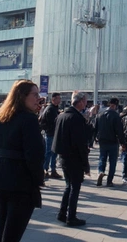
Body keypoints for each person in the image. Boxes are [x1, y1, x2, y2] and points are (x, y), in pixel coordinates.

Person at [0, 79, 45, 241]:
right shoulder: (28, 119)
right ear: (22, 96)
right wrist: (38, 178)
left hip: (0, 178)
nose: (38, 98)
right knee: (12, 234)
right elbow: (34, 154)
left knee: (2, 230)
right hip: (21, 181)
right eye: (35, 94)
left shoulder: (0, 118)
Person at [52, 91, 91, 227]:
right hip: (74, 157)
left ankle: (62, 213)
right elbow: (80, 143)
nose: (86, 103)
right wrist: (85, 164)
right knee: (75, 187)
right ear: (80, 101)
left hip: (63, 156)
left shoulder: (62, 115)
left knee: (69, 186)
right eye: (85, 101)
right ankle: (71, 216)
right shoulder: (76, 118)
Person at [95, 97, 125, 187]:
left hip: (102, 140)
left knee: (102, 158)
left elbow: (95, 127)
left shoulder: (100, 114)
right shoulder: (116, 116)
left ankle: (101, 171)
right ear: (115, 105)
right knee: (112, 161)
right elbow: (119, 130)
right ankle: (109, 180)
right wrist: (122, 142)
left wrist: (94, 138)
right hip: (113, 141)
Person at [39, 92, 62, 179]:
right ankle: (46, 169)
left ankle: (52, 170)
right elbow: (51, 122)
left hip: (52, 133)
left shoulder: (54, 108)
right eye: (58, 98)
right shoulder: (50, 109)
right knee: (49, 152)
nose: (59, 100)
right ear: (53, 99)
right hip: (50, 133)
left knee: (53, 152)